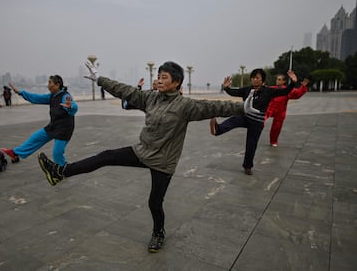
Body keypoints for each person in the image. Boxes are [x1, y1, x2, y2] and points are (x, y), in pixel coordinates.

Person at [38, 61, 247, 253]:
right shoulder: (150, 97)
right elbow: (125, 90)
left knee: (154, 203)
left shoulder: (185, 106)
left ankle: (158, 233)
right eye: (158, 76)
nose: (159, 80)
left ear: (176, 82)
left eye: (164, 77)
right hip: (142, 151)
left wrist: (243, 107)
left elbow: (215, 106)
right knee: (105, 156)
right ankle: (60, 172)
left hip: (163, 161)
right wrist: (100, 79)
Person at [209, 68, 299, 175]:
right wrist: (226, 87)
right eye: (253, 77)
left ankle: (248, 166)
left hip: (257, 122)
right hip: (246, 117)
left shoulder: (268, 91)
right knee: (234, 119)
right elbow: (234, 92)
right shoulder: (247, 89)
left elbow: (285, 91)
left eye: (257, 78)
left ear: (262, 80)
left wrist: (293, 83)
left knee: (251, 144)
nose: (254, 80)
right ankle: (217, 129)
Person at [1, 75, 78, 165]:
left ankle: (62, 169)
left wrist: (71, 107)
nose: (48, 85)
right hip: (53, 126)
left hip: (64, 129)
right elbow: (36, 98)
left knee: (57, 153)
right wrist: (21, 93)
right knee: (36, 137)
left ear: (57, 85)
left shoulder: (65, 96)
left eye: (50, 83)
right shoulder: (52, 96)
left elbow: (73, 107)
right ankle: (15, 153)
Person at [266, 74, 309, 146]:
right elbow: (264, 90)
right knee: (259, 121)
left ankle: (273, 141)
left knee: (277, 127)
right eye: (277, 79)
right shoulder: (273, 88)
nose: (277, 81)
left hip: (280, 110)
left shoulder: (287, 89)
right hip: (270, 108)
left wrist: (303, 87)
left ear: (284, 81)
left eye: (279, 79)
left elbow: (297, 93)